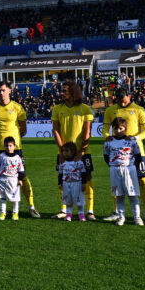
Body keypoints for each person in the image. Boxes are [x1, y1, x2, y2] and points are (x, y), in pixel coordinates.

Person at [102, 88, 145, 223]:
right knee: (116, 184)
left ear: (129, 97)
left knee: (143, 181)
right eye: (120, 101)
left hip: (137, 152)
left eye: (124, 101)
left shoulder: (139, 110)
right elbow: (105, 130)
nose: (122, 104)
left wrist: (135, 138)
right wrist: (107, 137)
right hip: (118, 155)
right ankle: (116, 212)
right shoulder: (110, 110)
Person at [0, 82, 35, 216]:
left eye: (3, 90)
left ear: (9, 90)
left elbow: (23, 128)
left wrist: (15, 141)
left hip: (15, 148)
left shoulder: (17, 107)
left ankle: (31, 206)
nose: (1, 93)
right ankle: (3, 209)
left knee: (22, 176)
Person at [50, 80, 95, 220]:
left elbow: (87, 132)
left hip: (83, 151)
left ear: (73, 92)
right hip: (64, 152)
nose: (62, 93)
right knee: (63, 179)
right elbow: (55, 130)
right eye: (62, 90)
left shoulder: (85, 109)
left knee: (87, 179)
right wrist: (61, 150)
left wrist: (81, 151)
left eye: (65, 91)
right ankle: (64, 210)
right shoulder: (57, 109)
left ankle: (90, 211)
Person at [103, 117, 143, 227]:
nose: (118, 131)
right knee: (119, 195)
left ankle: (137, 217)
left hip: (129, 169)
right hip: (115, 169)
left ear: (126, 128)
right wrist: (112, 165)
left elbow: (138, 155)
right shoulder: (109, 141)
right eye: (116, 129)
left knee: (133, 195)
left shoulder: (131, 140)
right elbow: (106, 156)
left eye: (121, 128)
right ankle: (121, 217)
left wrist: (134, 167)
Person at [0, 136, 24, 221]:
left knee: (15, 198)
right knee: (2, 197)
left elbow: (21, 170)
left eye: (10, 146)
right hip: (2, 179)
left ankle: (15, 213)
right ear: (4, 146)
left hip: (13, 180)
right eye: (7, 146)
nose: (8, 148)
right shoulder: (1, 156)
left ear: (14, 146)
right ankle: (3, 212)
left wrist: (20, 179)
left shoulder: (17, 158)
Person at [57, 142, 88, 222]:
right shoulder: (63, 163)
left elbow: (83, 173)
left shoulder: (79, 162)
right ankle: (69, 214)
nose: (64, 153)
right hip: (66, 184)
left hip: (77, 183)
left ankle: (81, 214)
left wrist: (83, 183)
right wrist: (60, 183)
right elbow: (60, 174)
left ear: (73, 152)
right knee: (68, 200)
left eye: (66, 151)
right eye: (63, 151)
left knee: (79, 200)